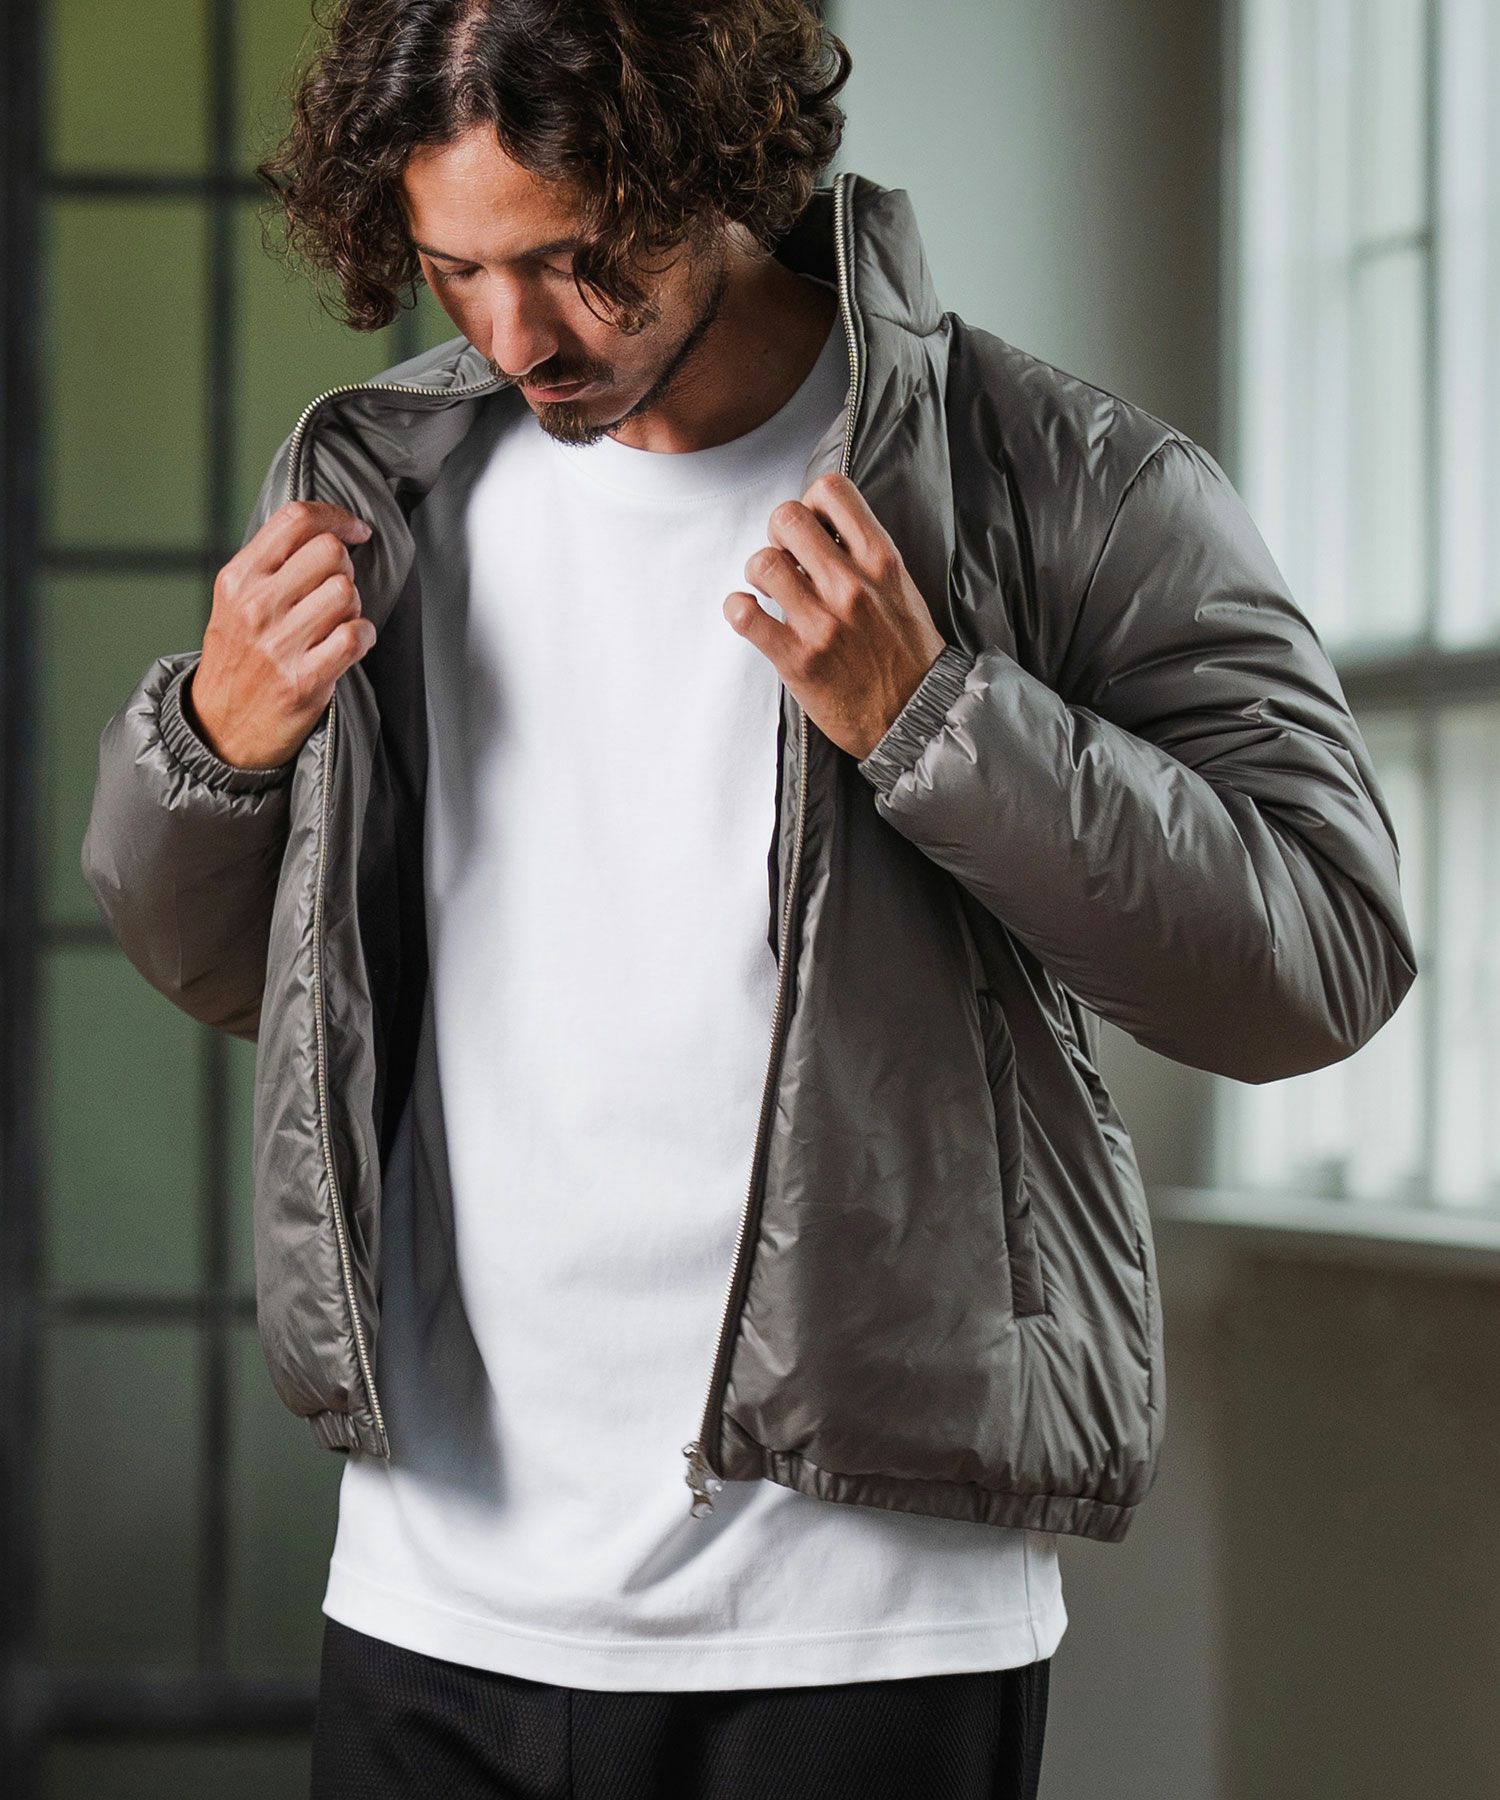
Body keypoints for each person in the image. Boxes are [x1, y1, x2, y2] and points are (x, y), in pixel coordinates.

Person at [80, 3, 1418, 1796]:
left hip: (863, 1609)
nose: (515, 337)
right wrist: (213, 746)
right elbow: (245, 974)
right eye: (455, 270)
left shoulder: (1063, 481)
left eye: (575, 262)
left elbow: (1319, 958)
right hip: (434, 1594)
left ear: (707, 166)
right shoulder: (378, 492)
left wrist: (940, 722)